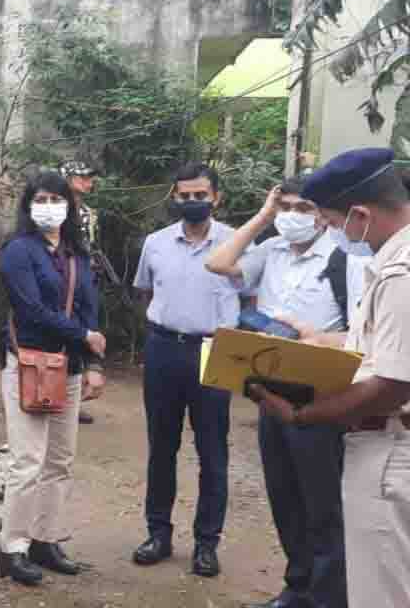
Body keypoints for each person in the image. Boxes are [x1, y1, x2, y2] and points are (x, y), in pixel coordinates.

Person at [253, 148, 410, 608]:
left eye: (335, 222)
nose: (337, 233)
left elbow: (395, 384)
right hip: (385, 448)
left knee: (383, 593)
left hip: (389, 449)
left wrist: (304, 414)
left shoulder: (402, 273)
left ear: (360, 214)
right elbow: (388, 349)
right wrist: (330, 344)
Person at [204, 179, 347, 608]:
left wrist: (317, 339)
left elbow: (364, 331)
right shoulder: (272, 251)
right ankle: (298, 586)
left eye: (301, 207)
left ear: (323, 213)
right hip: (269, 391)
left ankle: (327, 597)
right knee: (284, 496)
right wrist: (264, 216)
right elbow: (218, 262)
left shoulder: (345, 257)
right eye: (284, 206)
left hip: (320, 394)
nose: (291, 215)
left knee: (323, 505)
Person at [0, 171, 107, 586]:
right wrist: (83, 336)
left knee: (59, 460)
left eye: (56, 199)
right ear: (28, 206)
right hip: (29, 364)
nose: (48, 206)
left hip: (71, 367)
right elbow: (30, 310)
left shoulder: (77, 252)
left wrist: (94, 363)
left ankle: (45, 539)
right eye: (40, 199)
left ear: (68, 205)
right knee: (28, 460)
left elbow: (91, 307)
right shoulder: (18, 251)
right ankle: (13, 548)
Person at [131, 162, 242, 578]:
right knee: (162, 448)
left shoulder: (235, 243)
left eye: (201, 196)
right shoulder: (156, 243)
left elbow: (249, 299)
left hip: (215, 351)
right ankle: (158, 534)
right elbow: (146, 292)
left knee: (213, 453)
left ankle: (206, 544)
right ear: (174, 197)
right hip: (164, 349)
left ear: (216, 198)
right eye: (185, 195)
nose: (192, 202)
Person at [61, 161, 108, 426]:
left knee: (84, 337)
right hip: (60, 281)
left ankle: (73, 402)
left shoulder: (91, 215)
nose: (89, 181)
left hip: (86, 281)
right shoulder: (54, 209)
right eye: (83, 176)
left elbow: (94, 246)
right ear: (68, 178)